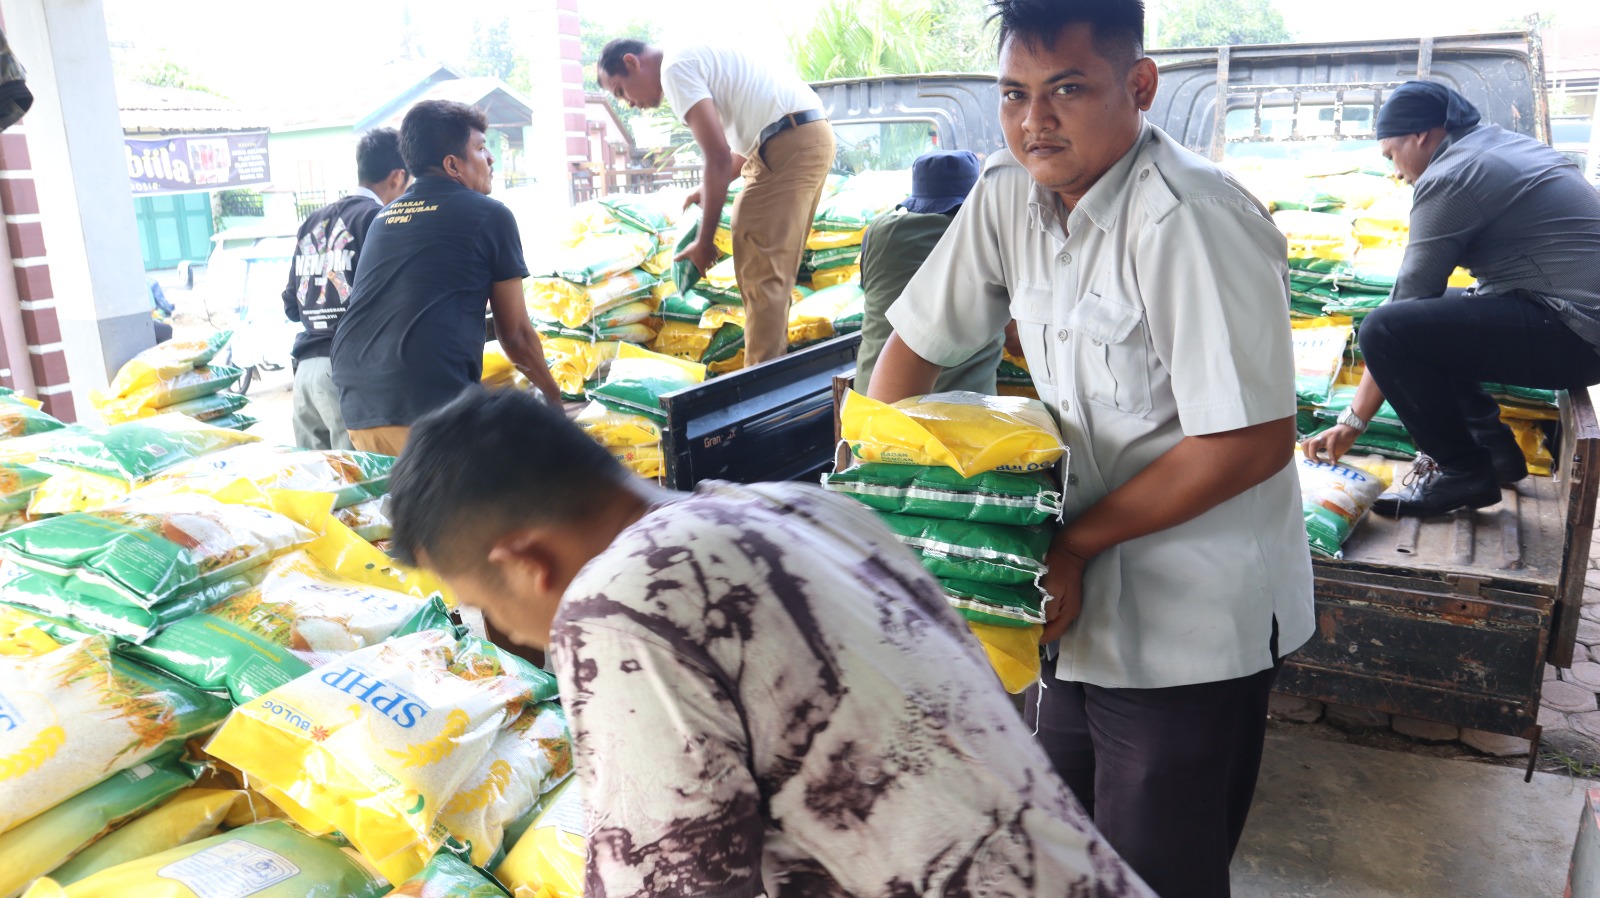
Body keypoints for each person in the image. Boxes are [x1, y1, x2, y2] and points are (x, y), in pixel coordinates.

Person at [866, 2, 1315, 895]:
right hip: (1065, 607)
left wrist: (1070, 544)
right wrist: (889, 498)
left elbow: (1251, 442)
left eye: (1067, 89)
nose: (1035, 120)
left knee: (1157, 869)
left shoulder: (1190, 219)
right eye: (1013, 94)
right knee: (1059, 843)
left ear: (1139, 86)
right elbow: (913, 344)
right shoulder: (1007, 193)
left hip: (1190, 621)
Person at [386, 386, 1153, 898]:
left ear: (523, 562)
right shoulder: (806, 510)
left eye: (492, 610)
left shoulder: (619, 603)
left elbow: (671, 883)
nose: (515, 638)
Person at [1300, 80, 1600, 517]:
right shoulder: (1497, 147)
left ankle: (1463, 471)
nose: (1396, 172)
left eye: (1391, 155)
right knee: (1431, 322)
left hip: (1575, 330)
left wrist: (1352, 422)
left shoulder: (1454, 174)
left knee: (1386, 330)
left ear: (1421, 135)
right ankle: (1493, 453)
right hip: (1572, 322)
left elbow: (1406, 302)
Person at [330, 100, 562, 456]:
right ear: (452, 165)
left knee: (397, 510)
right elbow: (514, 335)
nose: (491, 159)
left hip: (357, 402)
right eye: (481, 148)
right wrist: (555, 401)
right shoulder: (490, 215)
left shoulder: (384, 217)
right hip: (426, 405)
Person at [597, 38, 835, 368]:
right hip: (807, 136)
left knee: (762, 280)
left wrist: (704, 241)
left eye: (621, 91)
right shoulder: (694, 53)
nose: (628, 103)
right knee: (771, 278)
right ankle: (771, 380)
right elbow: (746, 143)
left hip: (789, 142)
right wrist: (705, 191)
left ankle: (761, 393)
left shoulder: (674, 68)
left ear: (632, 62)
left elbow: (718, 157)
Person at [282, 128, 408, 451]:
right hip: (345, 374)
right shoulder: (380, 220)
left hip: (304, 376)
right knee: (358, 488)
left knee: (320, 490)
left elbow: (291, 306)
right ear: (397, 176)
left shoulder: (312, 221)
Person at [855, 149, 1011, 395]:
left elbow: (871, 292)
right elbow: (1017, 337)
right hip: (959, 413)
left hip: (869, 401)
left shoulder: (878, 231)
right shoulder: (987, 234)